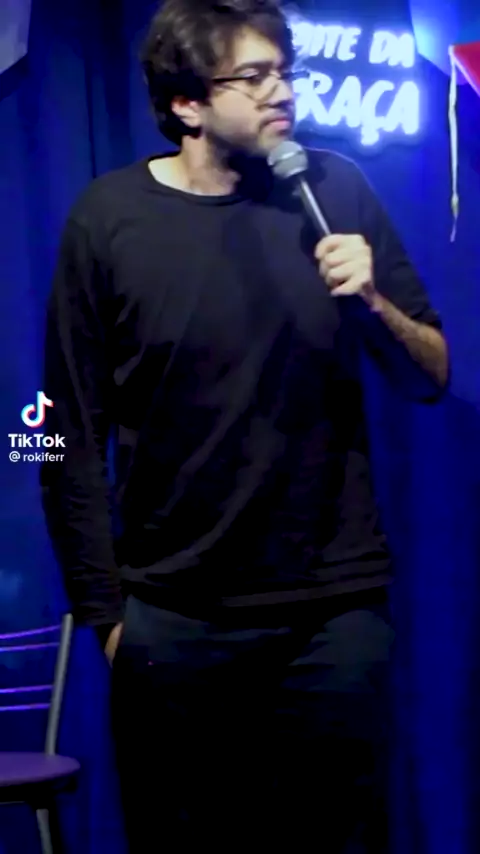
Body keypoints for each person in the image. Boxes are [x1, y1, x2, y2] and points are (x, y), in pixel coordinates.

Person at [40, 0, 448, 851]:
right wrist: (107, 619)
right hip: (175, 622)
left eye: (285, 72)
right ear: (185, 103)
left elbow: (431, 375)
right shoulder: (108, 220)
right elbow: (62, 433)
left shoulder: (334, 190)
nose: (282, 92)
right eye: (253, 77)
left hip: (332, 619)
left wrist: (373, 302)